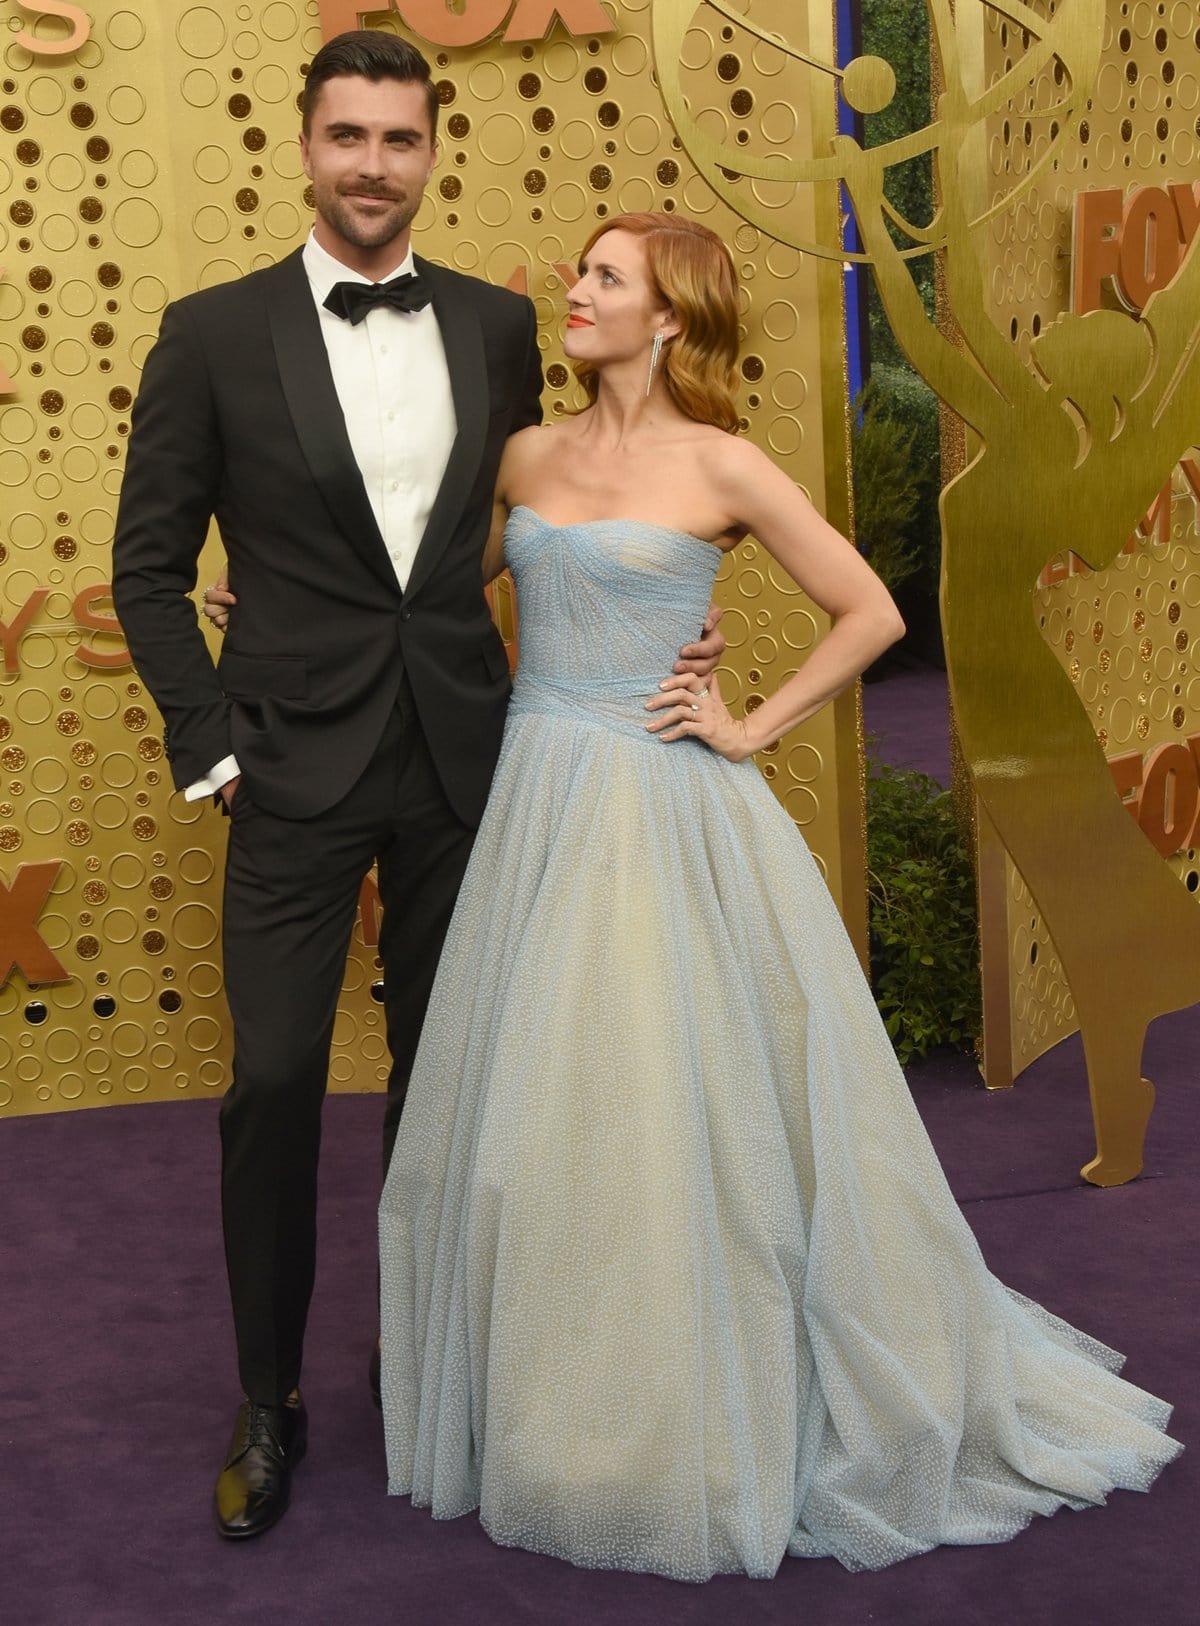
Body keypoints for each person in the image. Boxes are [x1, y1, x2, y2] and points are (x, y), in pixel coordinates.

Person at [375, 212, 1181, 1580]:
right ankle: (562, 1400)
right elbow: (429, 597)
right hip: (538, 797)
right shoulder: (523, 456)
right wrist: (287, 609)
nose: (575, 292)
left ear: (670, 316)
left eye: (605, 279)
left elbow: (868, 609)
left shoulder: (727, 463)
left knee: (681, 1104)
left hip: (666, 803)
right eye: (583, 271)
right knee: (550, 1106)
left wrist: (752, 725)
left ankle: (700, 1394)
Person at [111, 34, 724, 1543]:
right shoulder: (207, 334)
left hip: (470, 759)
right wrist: (214, 742)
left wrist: (662, 606)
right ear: (302, 146)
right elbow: (144, 567)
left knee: (454, 1080)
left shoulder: (502, 324)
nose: (373, 164)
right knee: (270, 1082)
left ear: (431, 151)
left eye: (399, 138)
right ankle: (272, 1397)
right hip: (293, 772)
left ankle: (426, 1353)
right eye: (348, 137)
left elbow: (557, 497)